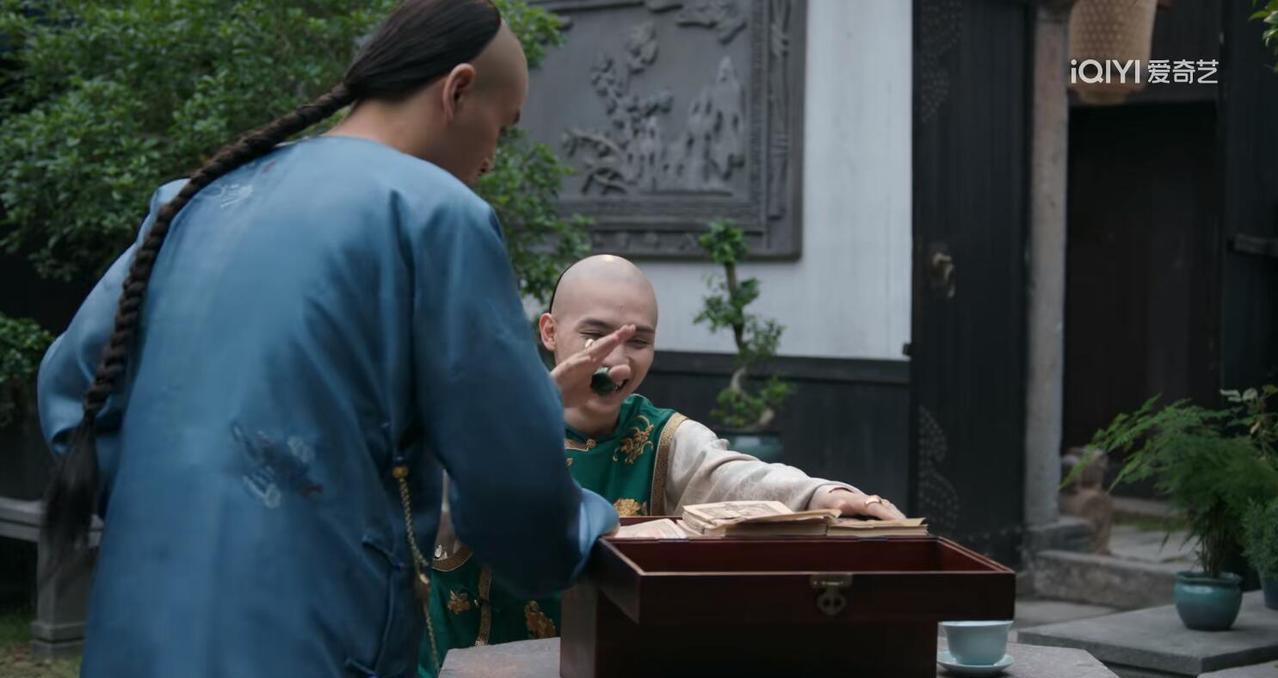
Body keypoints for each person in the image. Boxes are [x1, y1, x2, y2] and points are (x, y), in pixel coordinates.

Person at [35, 2, 621, 676]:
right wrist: (592, 525)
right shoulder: (436, 217)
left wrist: (181, 515)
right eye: (503, 127)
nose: (491, 158)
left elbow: (72, 397)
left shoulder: (194, 200)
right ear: (457, 91)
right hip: (307, 638)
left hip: (138, 630)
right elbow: (514, 496)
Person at [420, 254, 906, 676]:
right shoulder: (484, 416)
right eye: (596, 336)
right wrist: (540, 408)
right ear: (549, 331)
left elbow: (732, 474)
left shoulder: (660, 435)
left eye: (638, 341)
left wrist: (823, 495)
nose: (618, 362)